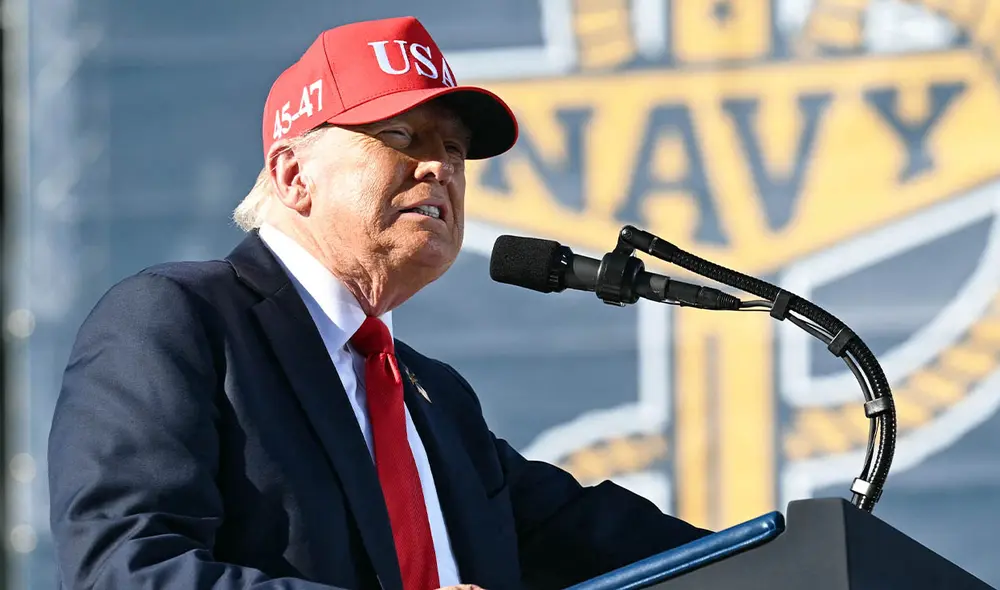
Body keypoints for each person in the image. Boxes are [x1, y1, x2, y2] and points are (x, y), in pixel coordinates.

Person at [47, 15, 711, 590]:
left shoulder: (436, 400)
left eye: (453, 148)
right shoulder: (180, 322)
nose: (439, 167)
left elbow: (602, 538)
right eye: (399, 136)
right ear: (292, 174)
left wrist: (799, 557)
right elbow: (123, 571)